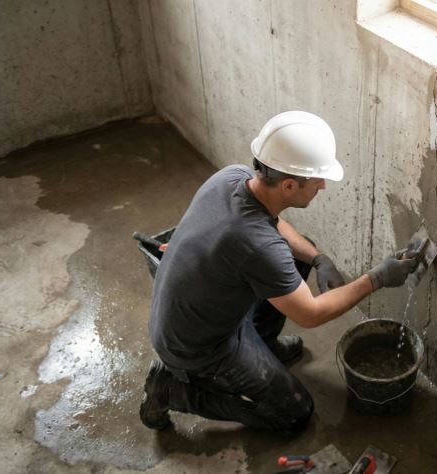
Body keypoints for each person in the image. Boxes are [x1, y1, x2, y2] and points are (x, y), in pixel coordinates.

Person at [139, 111, 420, 434]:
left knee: (299, 250)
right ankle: (172, 391)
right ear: (288, 185)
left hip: (197, 313)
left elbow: (273, 224)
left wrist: (319, 258)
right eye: (316, 180)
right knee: (293, 414)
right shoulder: (256, 244)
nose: (322, 185)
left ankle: (262, 342)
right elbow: (310, 314)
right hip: (199, 347)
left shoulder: (233, 177)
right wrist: (377, 278)